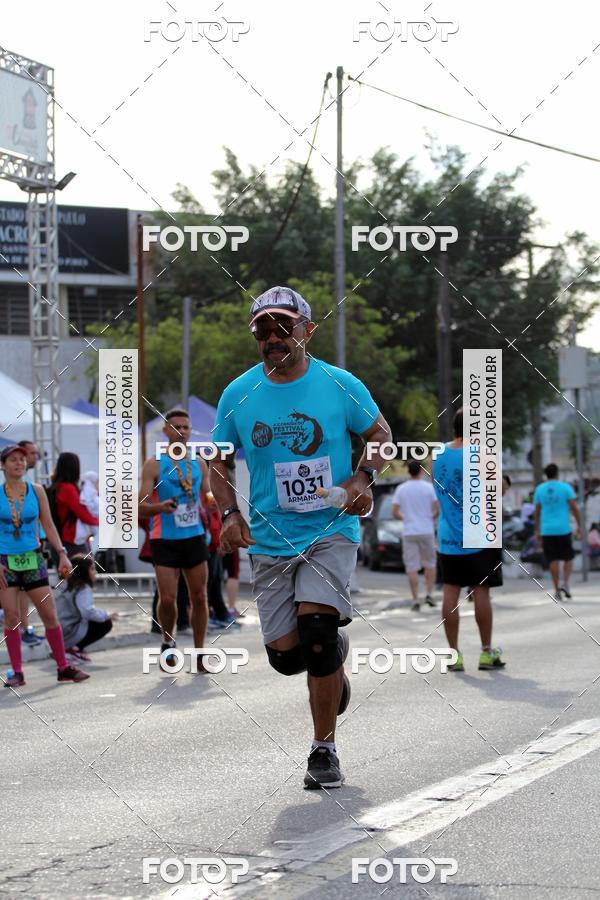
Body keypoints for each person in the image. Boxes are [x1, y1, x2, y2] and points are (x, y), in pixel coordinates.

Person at [210, 285, 391, 789]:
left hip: (330, 530)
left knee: (316, 636)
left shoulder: (338, 384)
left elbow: (380, 435)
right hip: (271, 538)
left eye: (282, 327)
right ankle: (333, 661)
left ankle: (323, 750)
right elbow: (219, 461)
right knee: (288, 657)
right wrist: (228, 513)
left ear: (307, 331)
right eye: (262, 329)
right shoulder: (238, 394)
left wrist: (361, 479)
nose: (272, 337)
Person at [0, 444, 89, 687]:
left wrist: (62, 554)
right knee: (12, 616)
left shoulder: (36, 490)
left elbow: (49, 525)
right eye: (13, 460)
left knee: (49, 614)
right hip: (5, 560)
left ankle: (63, 667)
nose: (19, 463)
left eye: (22, 459)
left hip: (33, 558)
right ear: (3, 465)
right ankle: (17, 672)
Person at [433, 408, 505, 673]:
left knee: (450, 591)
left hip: (448, 536)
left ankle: (454, 654)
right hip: (479, 536)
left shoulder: (438, 453)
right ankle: (486, 652)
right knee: (481, 591)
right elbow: (498, 489)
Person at [138, 408, 210, 672]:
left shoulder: (199, 464)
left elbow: (208, 498)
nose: (182, 432)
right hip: (164, 537)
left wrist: (214, 506)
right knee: (168, 599)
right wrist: (159, 508)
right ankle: (168, 642)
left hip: (194, 536)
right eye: (176, 427)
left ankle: (200, 652)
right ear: (166, 431)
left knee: (200, 596)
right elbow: (139, 506)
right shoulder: (154, 463)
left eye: (186, 427)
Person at [392, 459, 439, 611]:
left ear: (408, 471)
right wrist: (430, 517)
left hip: (409, 531)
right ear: (421, 471)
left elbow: (395, 511)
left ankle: (415, 599)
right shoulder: (429, 488)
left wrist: (405, 518)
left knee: (412, 567)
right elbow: (438, 508)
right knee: (430, 564)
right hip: (426, 530)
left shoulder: (401, 489)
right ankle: (429, 594)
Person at [55, 555, 119, 662]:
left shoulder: (65, 584)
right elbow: (87, 611)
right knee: (106, 623)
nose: (95, 572)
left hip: (59, 628)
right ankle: (73, 649)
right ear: (84, 571)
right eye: (92, 569)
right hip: (70, 631)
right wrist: (106, 615)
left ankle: (71, 648)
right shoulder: (83, 588)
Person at [534, 463, 582, 601]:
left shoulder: (539, 489)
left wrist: (537, 530)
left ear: (545, 474)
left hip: (547, 530)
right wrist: (579, 525)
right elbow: (574, 508)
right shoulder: (565, 488)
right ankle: (565, 583)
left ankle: (556, 590)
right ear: (557, 473)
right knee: (568, 557)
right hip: (563, 528)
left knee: (552, 559)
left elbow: (537, 512)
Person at [47, 452, 99, 559]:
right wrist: (100, 522)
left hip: (60, 540)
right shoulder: (68, 488)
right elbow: (82, 513)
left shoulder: (56, 487)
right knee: (83, 573)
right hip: (72, 542)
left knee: (65, 574)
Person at [74, 471, 100, 549]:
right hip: (91, 522)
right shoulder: (89, 490)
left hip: (91, 522)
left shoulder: (84, 489)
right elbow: (88, 504)